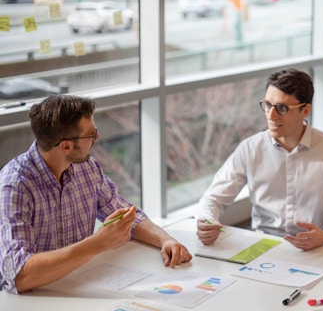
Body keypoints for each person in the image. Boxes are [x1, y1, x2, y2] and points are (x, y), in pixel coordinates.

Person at [0, 95, 192, 295]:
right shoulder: (14, 186)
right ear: (66, 146)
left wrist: (165, 240)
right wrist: (97, 243)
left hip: (77, 285)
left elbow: (126, 216)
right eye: (91, 134)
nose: (97, 138)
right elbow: (19, 275)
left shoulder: (87, 168)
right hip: (31, 300)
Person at [195, 68, 323, 250]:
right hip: (262, 247)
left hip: (316, 248)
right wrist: (207, 222)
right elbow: (212, 199)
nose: (271, 115)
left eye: (282, 108)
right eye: (267, 105)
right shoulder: (250, 148)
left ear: (305, 110)